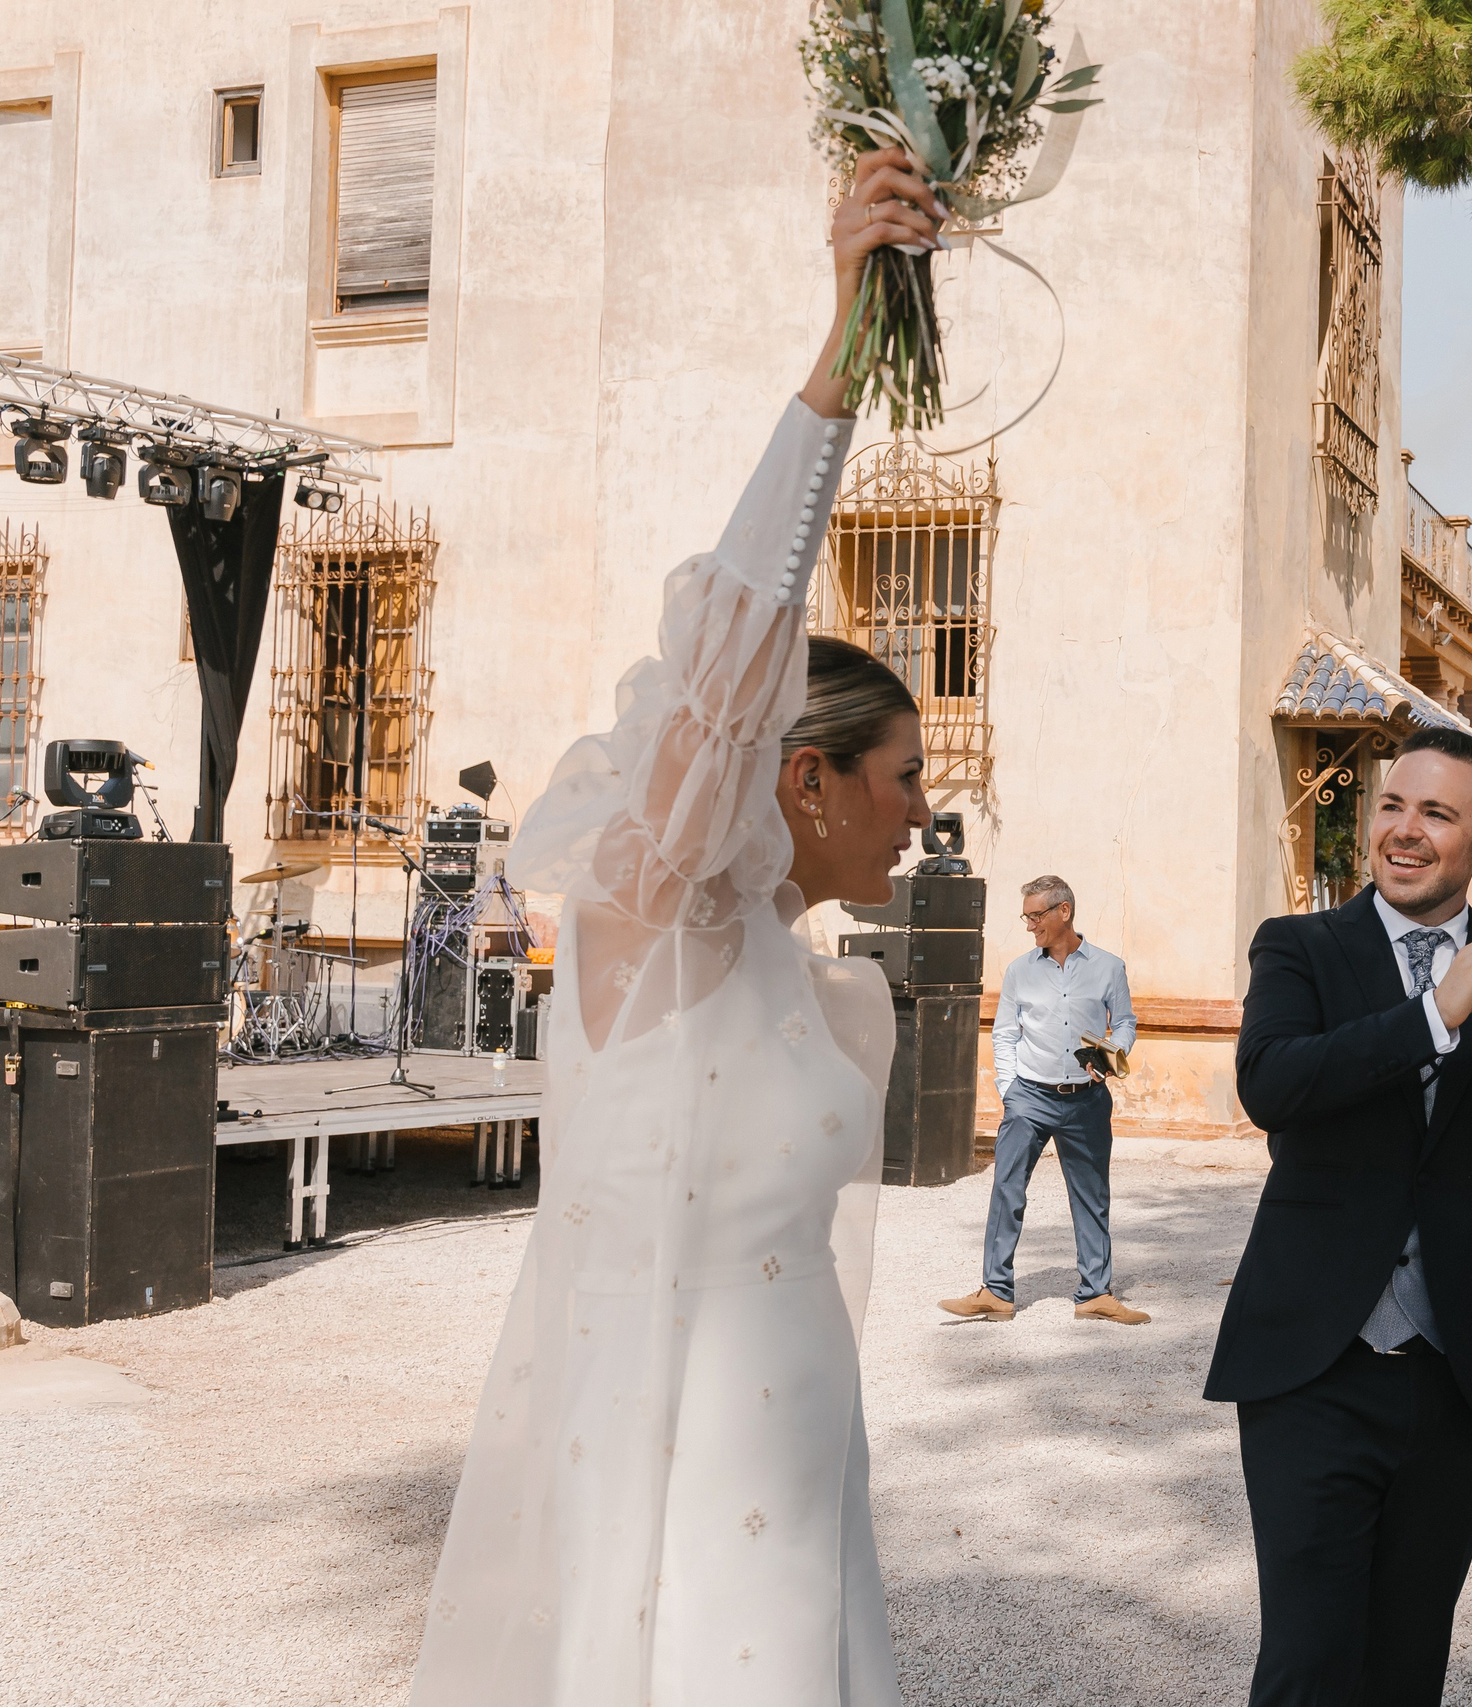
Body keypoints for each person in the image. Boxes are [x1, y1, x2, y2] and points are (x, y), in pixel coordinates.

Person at [410, 148, 942, 1705]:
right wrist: (843, 356)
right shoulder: (658, 928)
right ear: (805, 776)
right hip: (672, 1508)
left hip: (799, 1475)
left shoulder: (805, 976)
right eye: (902, 776)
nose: (924, 809)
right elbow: (729, 657)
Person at [1205, 726, 1472, 1706]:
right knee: (1307, 1665)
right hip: (1311, 1369)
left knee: (1405, 1668)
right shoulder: (1300, 947)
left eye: (1437, 813)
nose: (1404, 830)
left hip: (1452, 1380)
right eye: (1393, 804)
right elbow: (1273, 1084)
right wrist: (1436, 1012)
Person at [939, 876, 1148, 1325]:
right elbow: (1005, 1033)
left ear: (1064, 912)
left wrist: (1116, 1052)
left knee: (1092, 1196)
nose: (1030, 925)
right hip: (1029, 1097)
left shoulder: (1109, 967)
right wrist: (1010, 1092)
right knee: (1007, 1190)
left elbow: (1126, 1021)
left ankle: (1095, 1295)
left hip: (1087, 1100)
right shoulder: (1019, 970)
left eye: (1037, 916)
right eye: (1027, 916)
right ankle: (995, 1293)